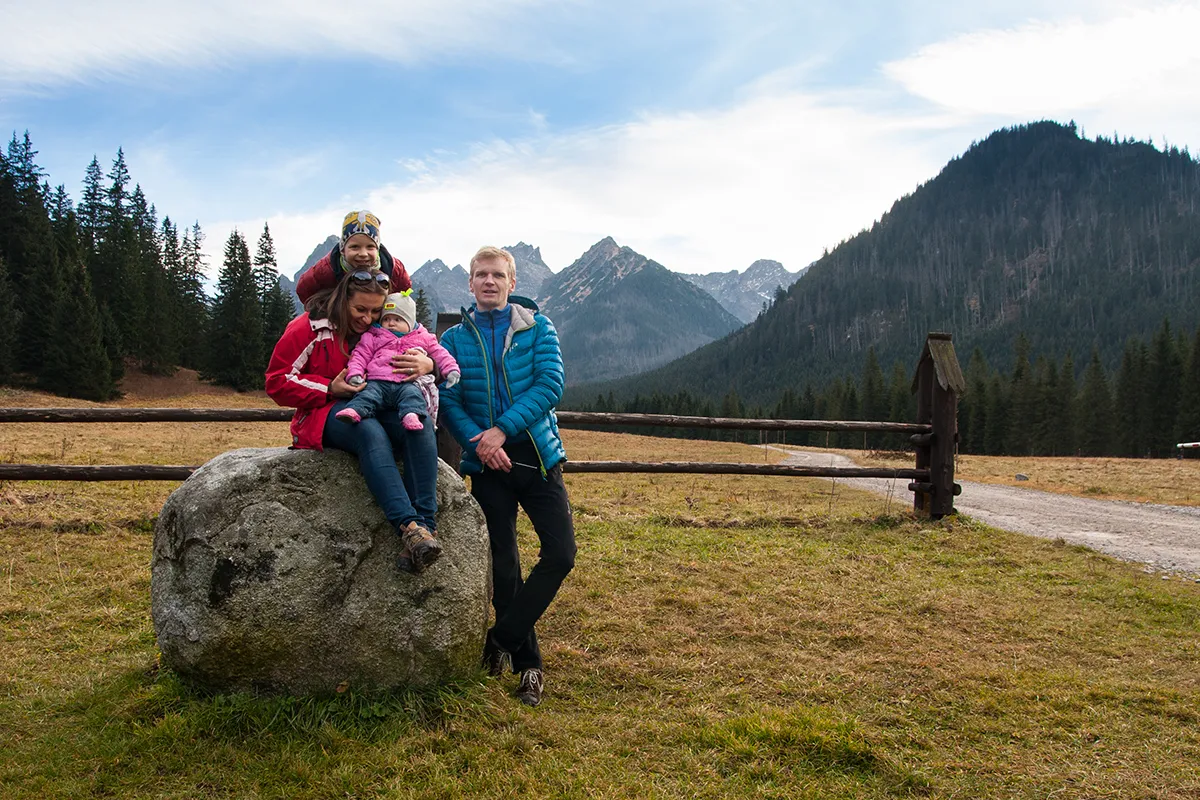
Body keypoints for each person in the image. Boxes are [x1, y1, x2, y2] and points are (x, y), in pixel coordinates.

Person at [440, 245, 575, 707]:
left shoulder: (538, 328)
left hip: (536, 457)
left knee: (560, 554)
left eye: (498, 275)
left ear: (512, 283)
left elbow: (549, 385)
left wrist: (502, 431)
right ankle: (530, 667)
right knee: (505, 566)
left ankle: (501, 639)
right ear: (471, 283)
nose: (489, 282)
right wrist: (482, 443)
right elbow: (450, 401)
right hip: (487, 463)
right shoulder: (455, 340)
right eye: (481, 275)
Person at [265, 265, 444, 574]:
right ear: (341, 299)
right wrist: (327, 388)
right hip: (323, 412)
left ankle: (426, 530)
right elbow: (277, 381)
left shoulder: (387, 328)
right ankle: (408, 525)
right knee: (369, 431)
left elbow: (433, 353)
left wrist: (429, 365)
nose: (367, 318)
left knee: (418, 423)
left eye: (375, 311)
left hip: (379, 403)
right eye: (360, 309)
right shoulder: (308, 327)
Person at [337, 291, 461, 430]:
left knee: (413, 397)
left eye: (398, 319)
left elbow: (441, 354)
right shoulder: (374, 336)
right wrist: (355, 374)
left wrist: (451, 370)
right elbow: (360, 355)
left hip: (407, 382)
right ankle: (354, 411)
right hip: (377, 381)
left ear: (410, 322)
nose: (391, 323)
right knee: (367, 395)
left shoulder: (423, 337)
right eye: (386, 319)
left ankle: (411, 415)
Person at [296, 210, 413, 305]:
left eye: (370, 247)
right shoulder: (326, 270)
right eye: (355, 247)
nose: (363, 253)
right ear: (343, 249)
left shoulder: (394, 270)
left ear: (377, 249)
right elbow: (304, 290)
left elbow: (403, 297)